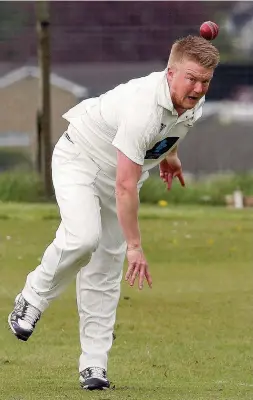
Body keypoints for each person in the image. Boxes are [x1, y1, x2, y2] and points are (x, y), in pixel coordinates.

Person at [8, 35, 219, 390]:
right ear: (170, 73)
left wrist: (170, 156)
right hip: (81, 160)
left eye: (205, 81)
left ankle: (94, 366)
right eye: (191, 78)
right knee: (83, 238)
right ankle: (32, 296)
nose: (198, 88)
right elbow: (125, 185)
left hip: (120, 176)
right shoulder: (142, 108)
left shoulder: (191, 98)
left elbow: (173, 127)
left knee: (105, 270)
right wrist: (134, 246)